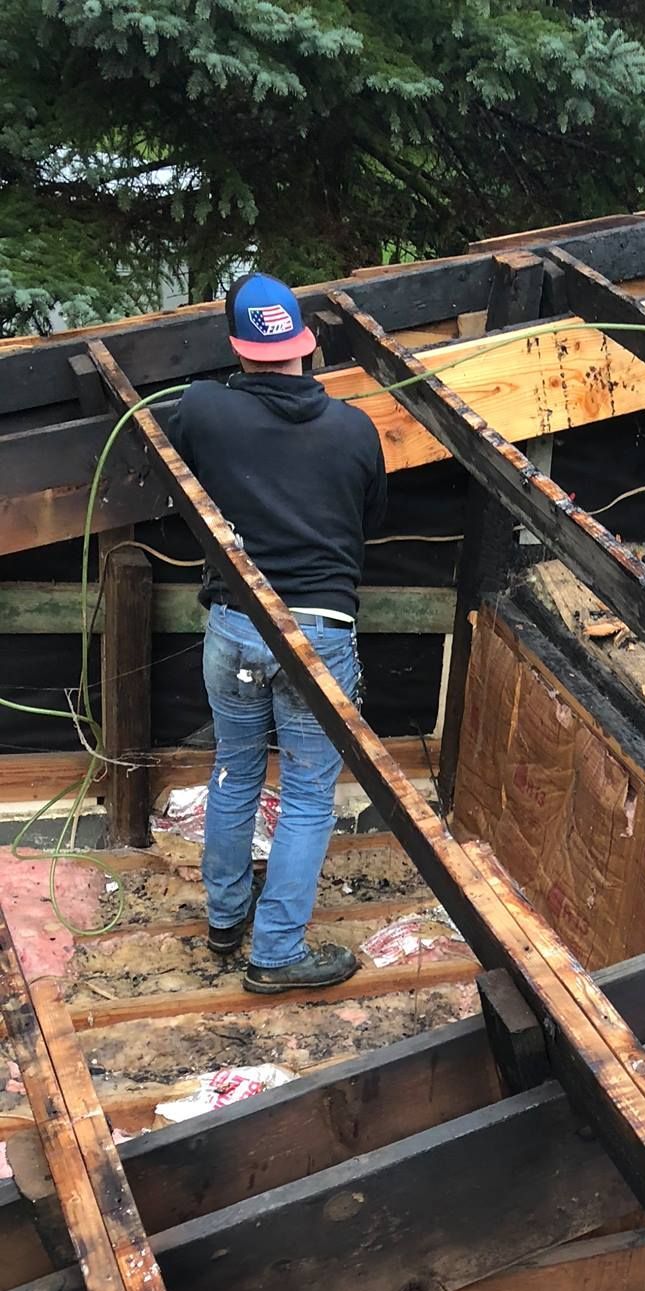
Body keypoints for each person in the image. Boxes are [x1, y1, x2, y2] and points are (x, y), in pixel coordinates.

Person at [167, 272, 387, 993]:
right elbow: (369, 524)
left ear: (236, 348)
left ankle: (228, 921)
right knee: (305, 796)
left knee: (234, 771)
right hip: (317, 634)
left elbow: (182, 471)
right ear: (308, 344)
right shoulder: (354, 429)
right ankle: (278, 953)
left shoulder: (202, 410)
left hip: (235, 625)